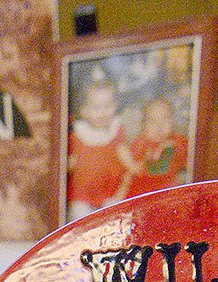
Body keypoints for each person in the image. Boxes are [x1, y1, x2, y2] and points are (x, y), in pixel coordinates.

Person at [66, 76, 130, 220]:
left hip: (110, 190)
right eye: (96, 108)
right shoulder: (79, 134)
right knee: (80, 217)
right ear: (83, 110)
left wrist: (133, 166)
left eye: (108, 106)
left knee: (114, 218)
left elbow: (124, 154)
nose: (103, 112)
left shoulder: (116, 130)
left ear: (116, 105)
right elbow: (71, 161)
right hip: (83, 193)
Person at [122, 97, 188, 197]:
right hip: (143, 192)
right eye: (152, 122)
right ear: (144, 125)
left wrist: (172, 146)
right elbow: (133, 168)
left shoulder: (178, 140)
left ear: (173, 121)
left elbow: (191, 161)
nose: (159, 126)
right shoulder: (141, 143)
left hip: (169, 191)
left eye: (165, 119)